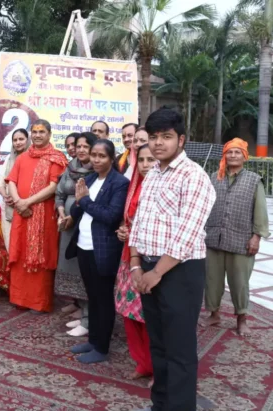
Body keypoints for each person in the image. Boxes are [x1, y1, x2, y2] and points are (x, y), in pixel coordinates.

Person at [129, 108, 216, 411]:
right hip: (149, 267)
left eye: (166, 137)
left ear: (181, 140)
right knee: (159, 345)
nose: (158, 144)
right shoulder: (153, 174)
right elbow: (139, 222)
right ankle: (160, 404)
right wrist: (137, 265)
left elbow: (187, 233)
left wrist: (156, 274)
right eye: (153, 137)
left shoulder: (194, 177)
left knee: (179, 350)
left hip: (181, 272)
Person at [65, 140, 128, 363]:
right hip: (83, 245)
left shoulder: (120, 183)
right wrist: (78, 201)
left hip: (103, 248)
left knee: (103, 299)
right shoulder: (89, 178)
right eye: (94, 155)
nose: (96, 159)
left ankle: (102, 348)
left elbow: (111, 216)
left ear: (112, 159)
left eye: (102, 156)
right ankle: (92, 340)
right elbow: (77, 208)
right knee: (91, 296)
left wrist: (85, 201)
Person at [204, 138, 269, 337]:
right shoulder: (215, 177)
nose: (233, 155)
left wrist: (256, 236)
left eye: (237, 152)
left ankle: (241, 318)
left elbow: (260, 210)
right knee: (212, 280)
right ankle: (214, 314)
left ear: (244, 156)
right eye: (229, 152)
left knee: (239, 282)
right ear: (225, 155)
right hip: (214, 237)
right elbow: (205, 205)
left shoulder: (253, 180)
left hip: (241, 239)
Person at [5, 120, 68, 312]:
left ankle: (38, 302)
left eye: (42, 132)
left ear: (49, 134)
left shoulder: (56, 158)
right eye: (35, 131)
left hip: (43, 216)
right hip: (21, 214)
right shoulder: (23, 157)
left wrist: (27, 202)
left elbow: (53, 186)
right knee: (20, 252)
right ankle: (20, 298)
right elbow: (11, 181)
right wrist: (18, 202)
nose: (38, 135)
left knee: (41, 254)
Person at [115, 143, 157, 384]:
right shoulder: (134, 186)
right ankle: (142, 363)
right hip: (128, 258)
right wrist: (122, 229)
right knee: (131, 315)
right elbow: (128, 219)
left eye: (150, 160)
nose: (145, 165)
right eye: (141, 160)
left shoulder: (162, 188)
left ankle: (156, 367)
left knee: (149, 317)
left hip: (150, 262)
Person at [55, 132, 96, 337]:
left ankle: (89, 320)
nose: (80, 150)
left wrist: (73, 216)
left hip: (86, 225)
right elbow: (60, 193)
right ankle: (82, 314)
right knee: (71, 267)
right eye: (78, 146)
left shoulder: (97, 171)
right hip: (67, 226)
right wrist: (62, 213)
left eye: (85, 146)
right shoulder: (70, 167)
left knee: (85, 273)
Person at [0, 129, 29, 250]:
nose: (18, 142)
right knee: (10, 243)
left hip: (28, 206)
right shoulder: (9, 158)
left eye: (21, 139)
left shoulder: (34, 159)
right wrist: (5, 196)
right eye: (15, 140)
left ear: (28, 140)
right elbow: (0, 182)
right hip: (10, 207)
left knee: (26, 244)